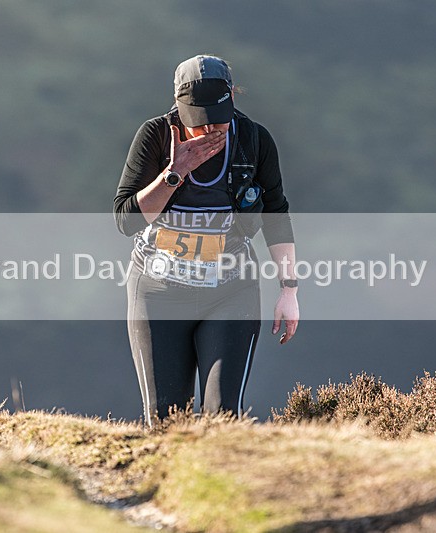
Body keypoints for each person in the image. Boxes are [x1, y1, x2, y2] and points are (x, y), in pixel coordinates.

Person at [113, 55, 298, 426]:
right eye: (199, 121)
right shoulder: (154, 135)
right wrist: (174, 172)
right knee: (165, 420)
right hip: (158, 289)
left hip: (230, 289)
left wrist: (289, 289)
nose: (210, 129)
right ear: (179, 107)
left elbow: (276, 213)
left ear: (232, 97)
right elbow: (126, 220)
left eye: (219, 117)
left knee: (223, 417)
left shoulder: (253, 140)